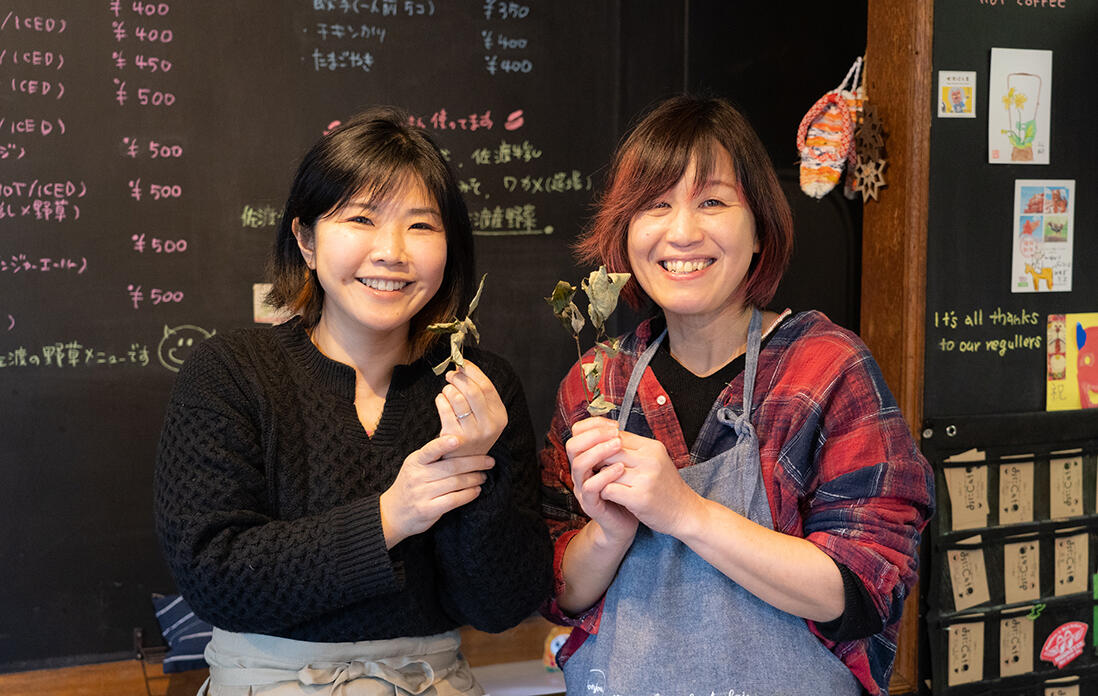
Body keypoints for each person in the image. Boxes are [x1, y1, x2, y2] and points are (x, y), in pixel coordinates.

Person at [539, 96, 934, 696]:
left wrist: (686, 513)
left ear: (759, 232)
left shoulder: (825, 369)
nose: (682, 232)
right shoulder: (598, 381)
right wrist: (609, 534)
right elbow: (560, 594)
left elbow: (865, 589)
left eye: (712, 202)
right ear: (626, 232)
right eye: (655, 204)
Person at [155, 107, 552, 695]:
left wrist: (480, 472)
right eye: (361, 218)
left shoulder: (480, 386)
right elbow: (215, 577)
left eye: (421, 226)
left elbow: (502, 607)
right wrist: (393, 515)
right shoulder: (230, 373)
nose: (391, 251)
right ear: (306, 241)